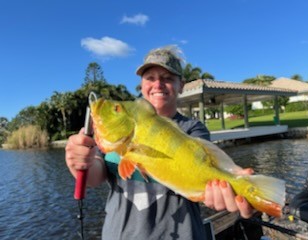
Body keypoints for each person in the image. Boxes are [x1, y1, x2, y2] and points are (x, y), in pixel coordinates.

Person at [65, 45, 253, 239]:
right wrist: (79, 161)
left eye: (168, 78)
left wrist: (232, 188)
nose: (158, 84)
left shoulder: (192, 129)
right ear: (142, 85)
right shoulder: (120, 127)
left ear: (181, 85)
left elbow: (205, 175)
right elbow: (95, 177)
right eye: (150, 78)